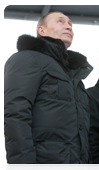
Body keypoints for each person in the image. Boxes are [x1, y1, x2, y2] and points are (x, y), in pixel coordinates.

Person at [4, 12, 94, 170]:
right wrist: (22, 165)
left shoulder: (73, 75)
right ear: (41, 30)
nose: (68, 26)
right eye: (61, 21)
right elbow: (16, 113)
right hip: (43, 164)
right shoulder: (27, 59)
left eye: (70, 24)